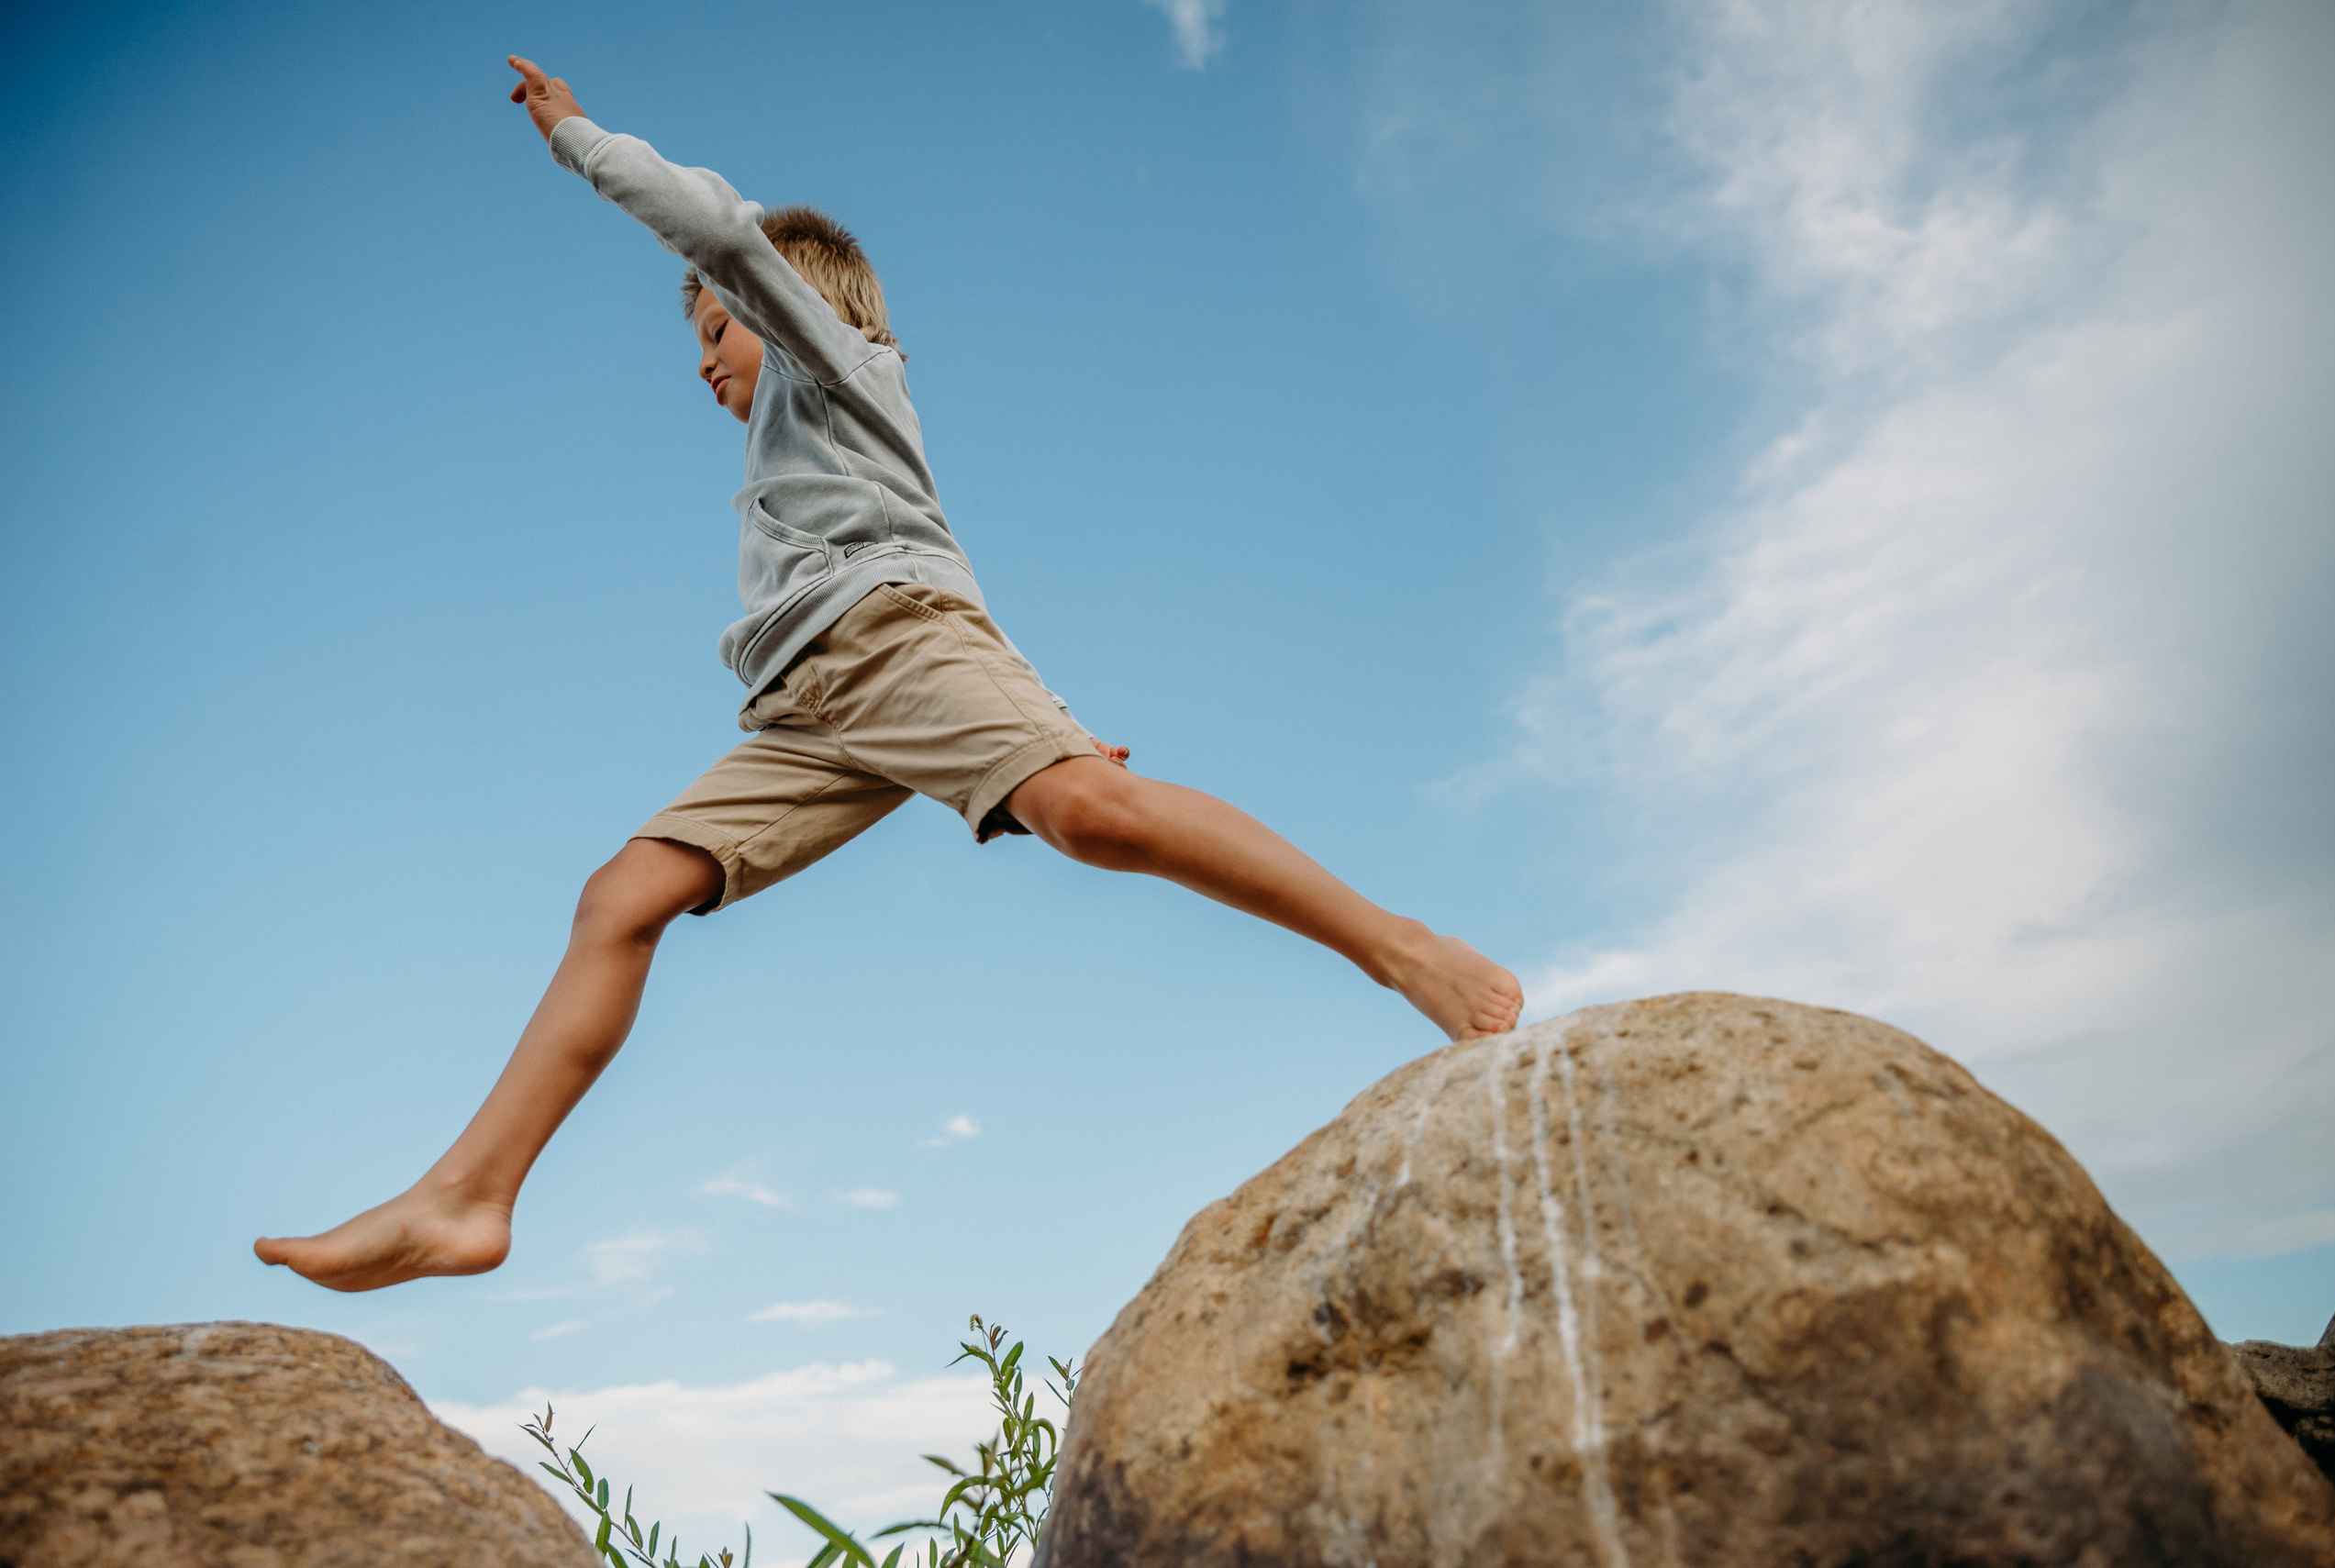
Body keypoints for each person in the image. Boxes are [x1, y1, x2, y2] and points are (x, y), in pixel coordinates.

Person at [251, 57, 1522, 1293]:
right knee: (618, 897)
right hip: (808, 711)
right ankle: (469, 1195)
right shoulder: (776, 457)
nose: (704, 356)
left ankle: (1400, 948)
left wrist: (578, 137)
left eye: (714, 325)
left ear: (792, 300)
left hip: (899, 641)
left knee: (1086, 814)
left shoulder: (839, 366)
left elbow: (727, 242)